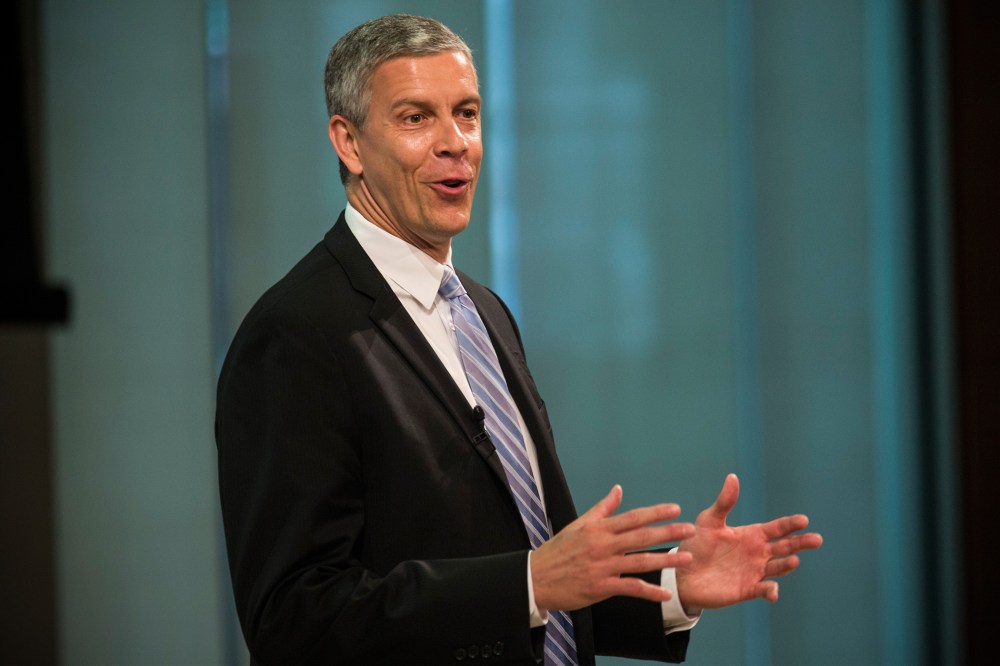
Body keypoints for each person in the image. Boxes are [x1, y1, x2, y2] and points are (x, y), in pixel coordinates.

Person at [215, 13, 822, 665]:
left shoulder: (485, 312)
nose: (456, 144)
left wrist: (672, 587)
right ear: (349, 142)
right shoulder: (296, 334)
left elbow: (530, 566)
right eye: (417, 118)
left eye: (467, 114)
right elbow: (292, 622)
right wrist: (527, 583)